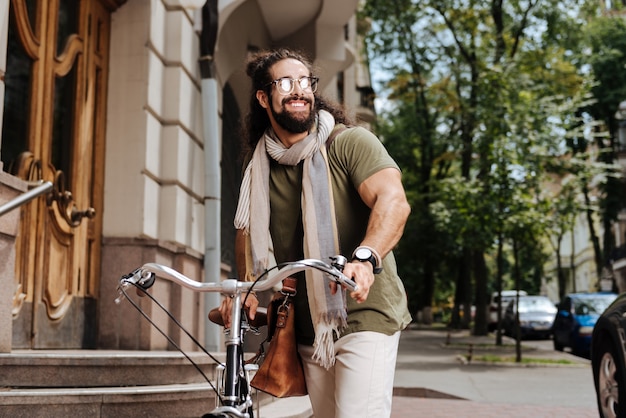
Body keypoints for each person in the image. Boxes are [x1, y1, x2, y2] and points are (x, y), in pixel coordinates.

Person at [220, 48, 412, 418]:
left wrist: (366, 257)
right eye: (285, 82)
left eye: (306, 81)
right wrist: (244, 288)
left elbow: (393, 202)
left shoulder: (349, 143)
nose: (299, 90)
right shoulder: (257, 166)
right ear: (263, 97)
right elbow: (246, 231)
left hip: (364, 314)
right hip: (305, 325)